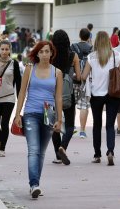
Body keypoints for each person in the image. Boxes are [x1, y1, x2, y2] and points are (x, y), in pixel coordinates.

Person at [13, 41, 63, 199]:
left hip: (49, 113)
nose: (44, 55)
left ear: (52, 53)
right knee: (33, 150)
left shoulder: (57, 72)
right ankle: (34, 184)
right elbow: (21, 93)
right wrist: (17, 114)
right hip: (31, 112)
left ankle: (36, 184)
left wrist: (59, 119)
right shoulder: (29, 68)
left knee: (41, 152)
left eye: (47, 51)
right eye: (41, 52)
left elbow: (59, 97)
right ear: (37, 54)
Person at [81, 31, 120, 166]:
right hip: (113, 94)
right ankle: (110, 151)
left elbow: (84, 76)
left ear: (97, 41)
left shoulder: (91, 57)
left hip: (96, 95)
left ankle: (97, 154)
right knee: (110, 125)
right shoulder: (116, 56)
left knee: (97, 124)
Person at [51, 30, 81, 165]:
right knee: (69, 124)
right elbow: (79, 77)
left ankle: (58, 155)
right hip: (68, 93)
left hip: (52, 93)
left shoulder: (51, 55)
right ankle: (63, 146)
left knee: (54, 124)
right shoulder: (73, 56)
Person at [0, 40, 21, 157]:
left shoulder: (14, 63)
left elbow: (18, 82)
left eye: (7, 49)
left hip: (9, 98)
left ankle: (2, 148)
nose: (5, 51)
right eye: (2, 49)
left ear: (10, 50)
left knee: (4, 123)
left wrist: (19, 99)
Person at [71, 28, 93, 139]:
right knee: (84, 105)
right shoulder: (91, 49)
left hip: (74, 79)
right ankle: (82, 131)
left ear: (80, 36)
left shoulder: (73, 47)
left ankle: (72, 127)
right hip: (86, 82)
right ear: (89, 37)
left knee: (72, 104)